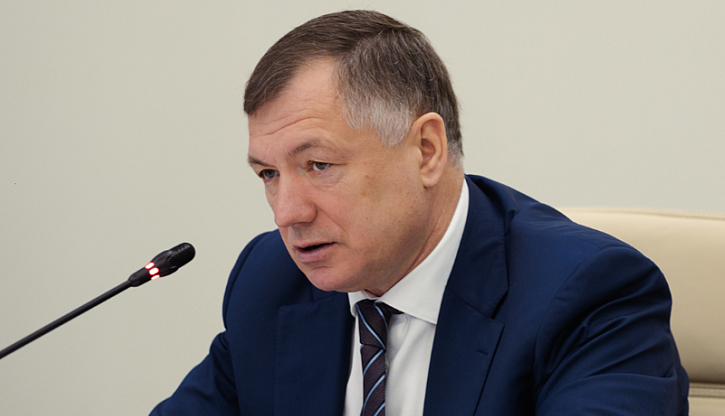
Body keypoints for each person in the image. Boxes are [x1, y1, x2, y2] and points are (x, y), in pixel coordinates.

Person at [151, 10, 689, 416]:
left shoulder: (590, 294)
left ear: (426, 151)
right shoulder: (271, 282)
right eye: (269, 174)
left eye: (319, 165)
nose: (287, 214)